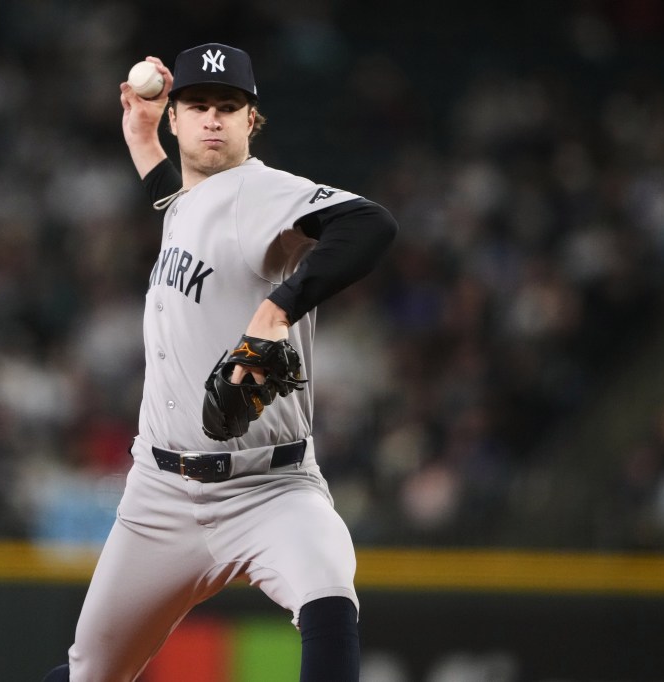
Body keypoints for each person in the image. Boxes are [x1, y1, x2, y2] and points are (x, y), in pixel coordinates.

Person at [42, 42, 397, 681]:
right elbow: (182, 206)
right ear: (175, 116)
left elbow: (369, 226)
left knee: (328, 598)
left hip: (271, 488)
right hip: (160, 495)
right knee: (89, 672)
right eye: (198, 105)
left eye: (228, 107)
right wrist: (142, 138)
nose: (212, 119)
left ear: (251, 122)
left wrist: (276, 310)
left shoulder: (259, 192)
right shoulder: (190, 199)